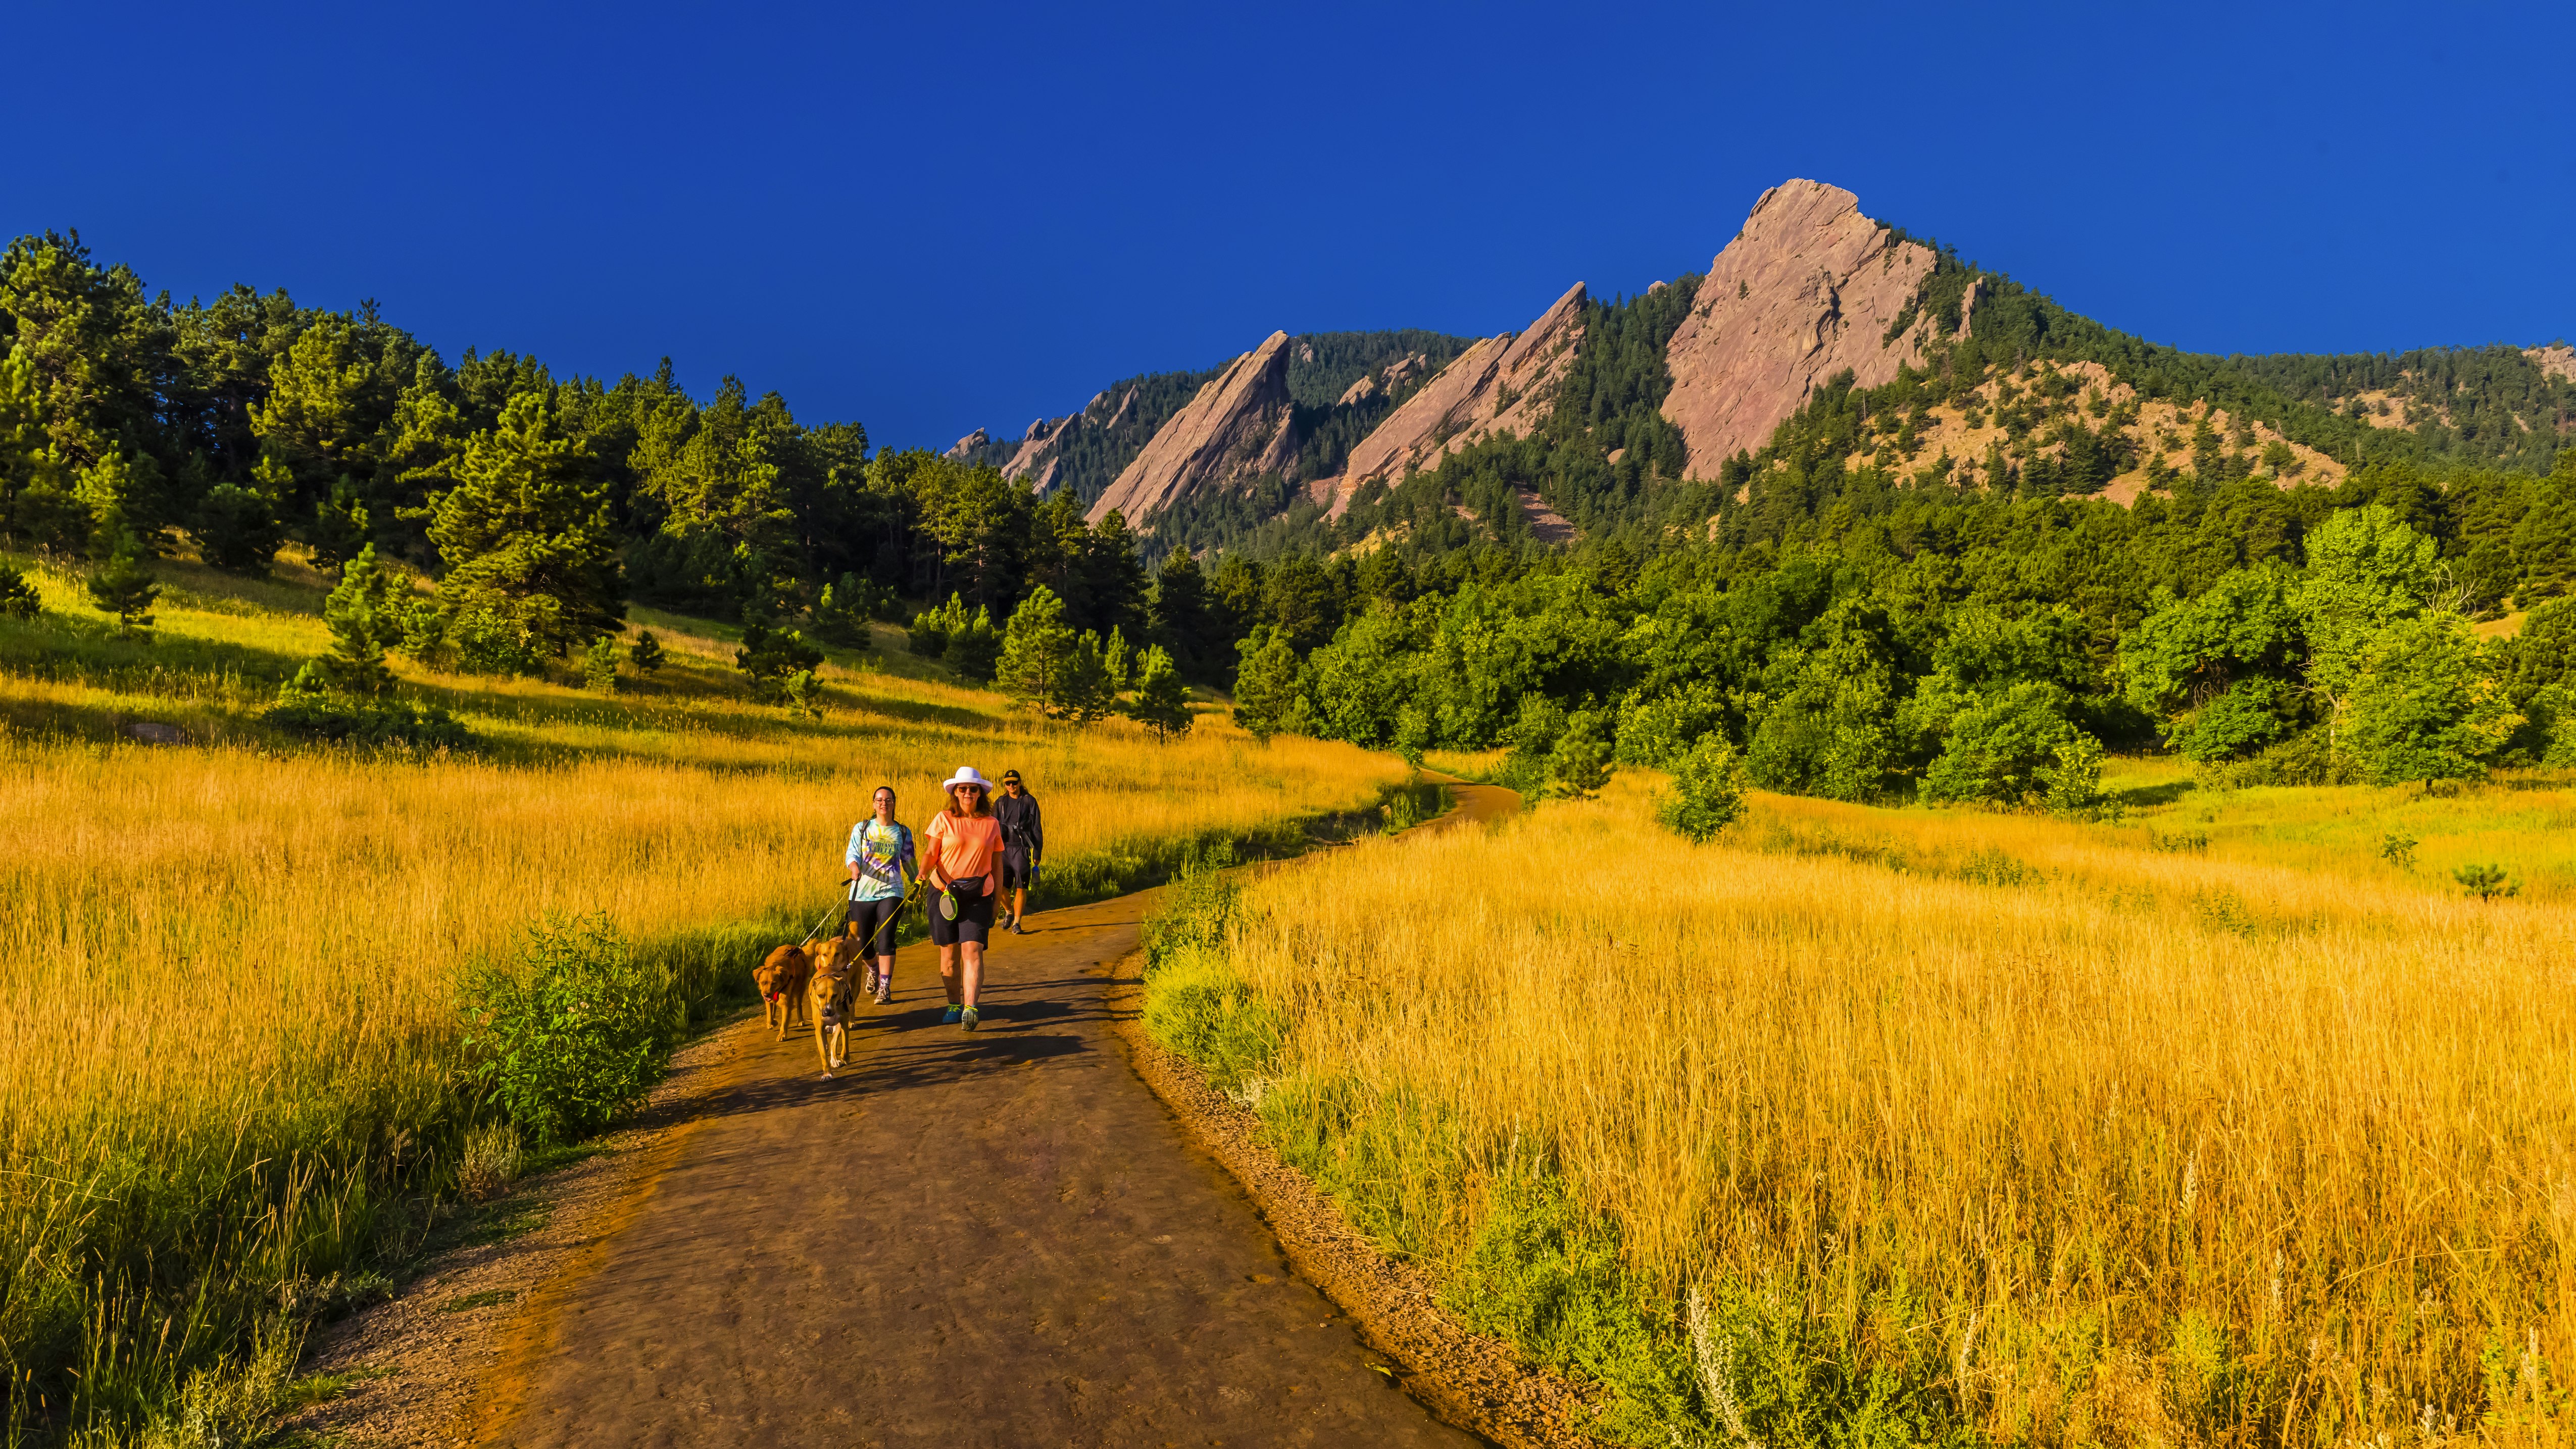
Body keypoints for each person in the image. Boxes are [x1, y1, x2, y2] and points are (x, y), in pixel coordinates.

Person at [920, 766, 1004, 1029]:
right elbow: (931, 853)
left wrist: (997, 902)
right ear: (955, 792)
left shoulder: (991, 824)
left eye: (973, 789)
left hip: (979, 894)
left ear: (980, 793)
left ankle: (971, 1008)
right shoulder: (943, 819)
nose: (968, 792)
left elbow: (997, 865)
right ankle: (954, 1004)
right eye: (963, 788)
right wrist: (922, 873)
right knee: (949, 954)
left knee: (973, 949)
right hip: (944, 893)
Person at [843, 784, 915, 1006]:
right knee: (862, 944)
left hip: (891, 891)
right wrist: (854, 868)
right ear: (874, 804)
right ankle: (873, 968)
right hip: (862, 892)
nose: (884, 803)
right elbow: (852, 854)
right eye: (880, 800)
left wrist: (918, 881)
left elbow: (909, 860)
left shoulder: (902, 832)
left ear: (894, 803)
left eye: (889, 800)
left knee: (886, 939)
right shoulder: (862, 828)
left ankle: (885, 987)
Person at [995, 768, 1043, 934]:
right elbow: (992, 826)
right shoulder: (1000, 803)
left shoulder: (1029, 801)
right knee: (999, 886)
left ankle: (1017, 923)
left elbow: (1036, 828)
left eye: (1014, 783)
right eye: (1008, 783)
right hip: (1003, 849)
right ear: (1005, 785)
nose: (1011, 786)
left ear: (1020, 783)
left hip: (1021, 849)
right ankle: (1009, 912)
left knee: (1021, 887)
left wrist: (1037, 852)